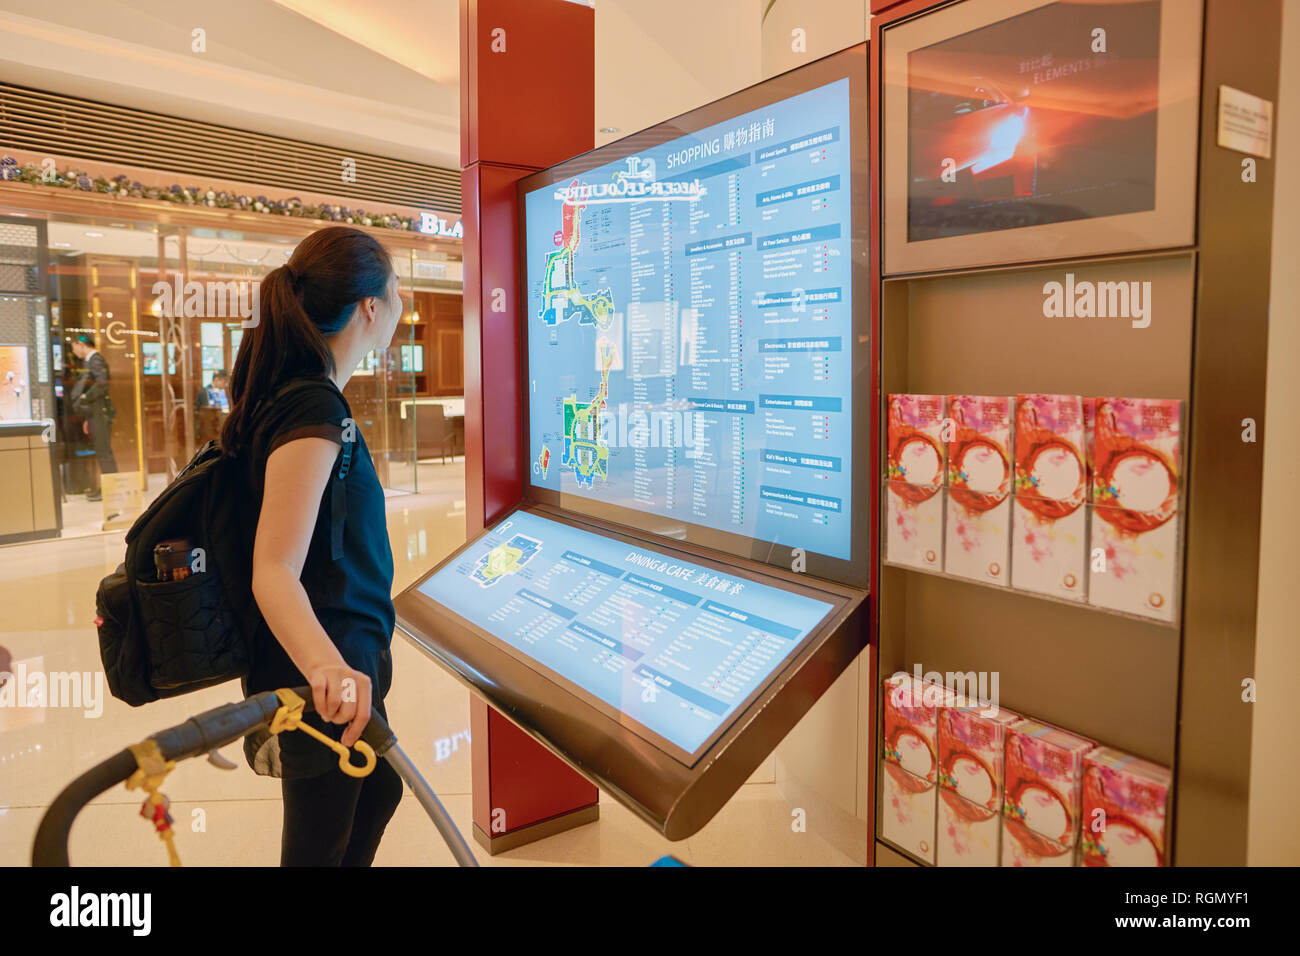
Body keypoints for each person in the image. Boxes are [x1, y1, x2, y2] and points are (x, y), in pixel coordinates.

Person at [222, 226, 404, 866]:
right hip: (320, 667)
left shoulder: (297, 396)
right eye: (397, 288)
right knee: (317, 843)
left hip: (333, 654)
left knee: (379, 787)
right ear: (369, 307)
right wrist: (326, 668)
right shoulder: (311, 410)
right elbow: (273, 568)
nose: (401, 303)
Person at [68, 334, 116, 499]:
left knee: (104, 452)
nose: (74, 352)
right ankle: (108, 489)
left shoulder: (95, 360)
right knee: (103, 451)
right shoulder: (92, 361)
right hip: (96, 414)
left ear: (80, 344)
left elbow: (102, 384)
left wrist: (84, 398)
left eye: (73, 348)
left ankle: (111, 491)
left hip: (100, 414)